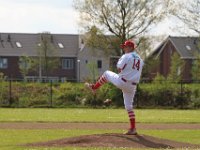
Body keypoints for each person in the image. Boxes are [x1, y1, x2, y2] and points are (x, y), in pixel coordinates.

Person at [85, 40, 144, 135]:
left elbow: (119, 67)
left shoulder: (126, 56)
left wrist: (122, 72)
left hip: (123, 81)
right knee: (129, 107)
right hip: (132, 86)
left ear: (130, 47)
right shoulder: (140, 59)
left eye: (125, 47)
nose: (124, 48)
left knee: (107, 73)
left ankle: (95, 87)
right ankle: (133, 129)